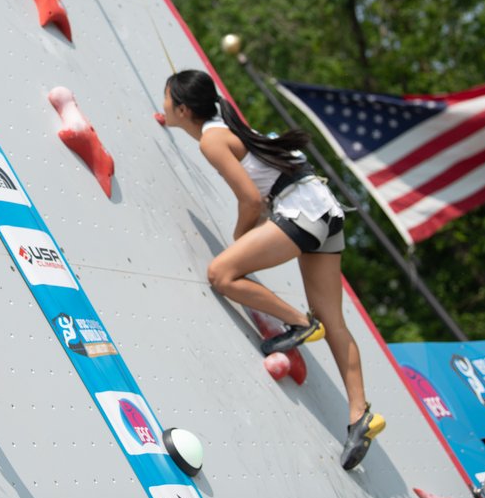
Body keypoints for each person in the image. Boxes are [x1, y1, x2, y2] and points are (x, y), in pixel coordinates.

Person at [162, 69, 383, 469]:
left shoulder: (213, 140)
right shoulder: (228, 125)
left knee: (222, 274)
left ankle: (300, 324)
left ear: (182, 108)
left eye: (167, 104)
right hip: (326, 211)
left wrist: (239, 242)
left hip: (302, 212)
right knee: (336, 322)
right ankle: (359, 414)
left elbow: (250, 201)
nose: (163, 108)